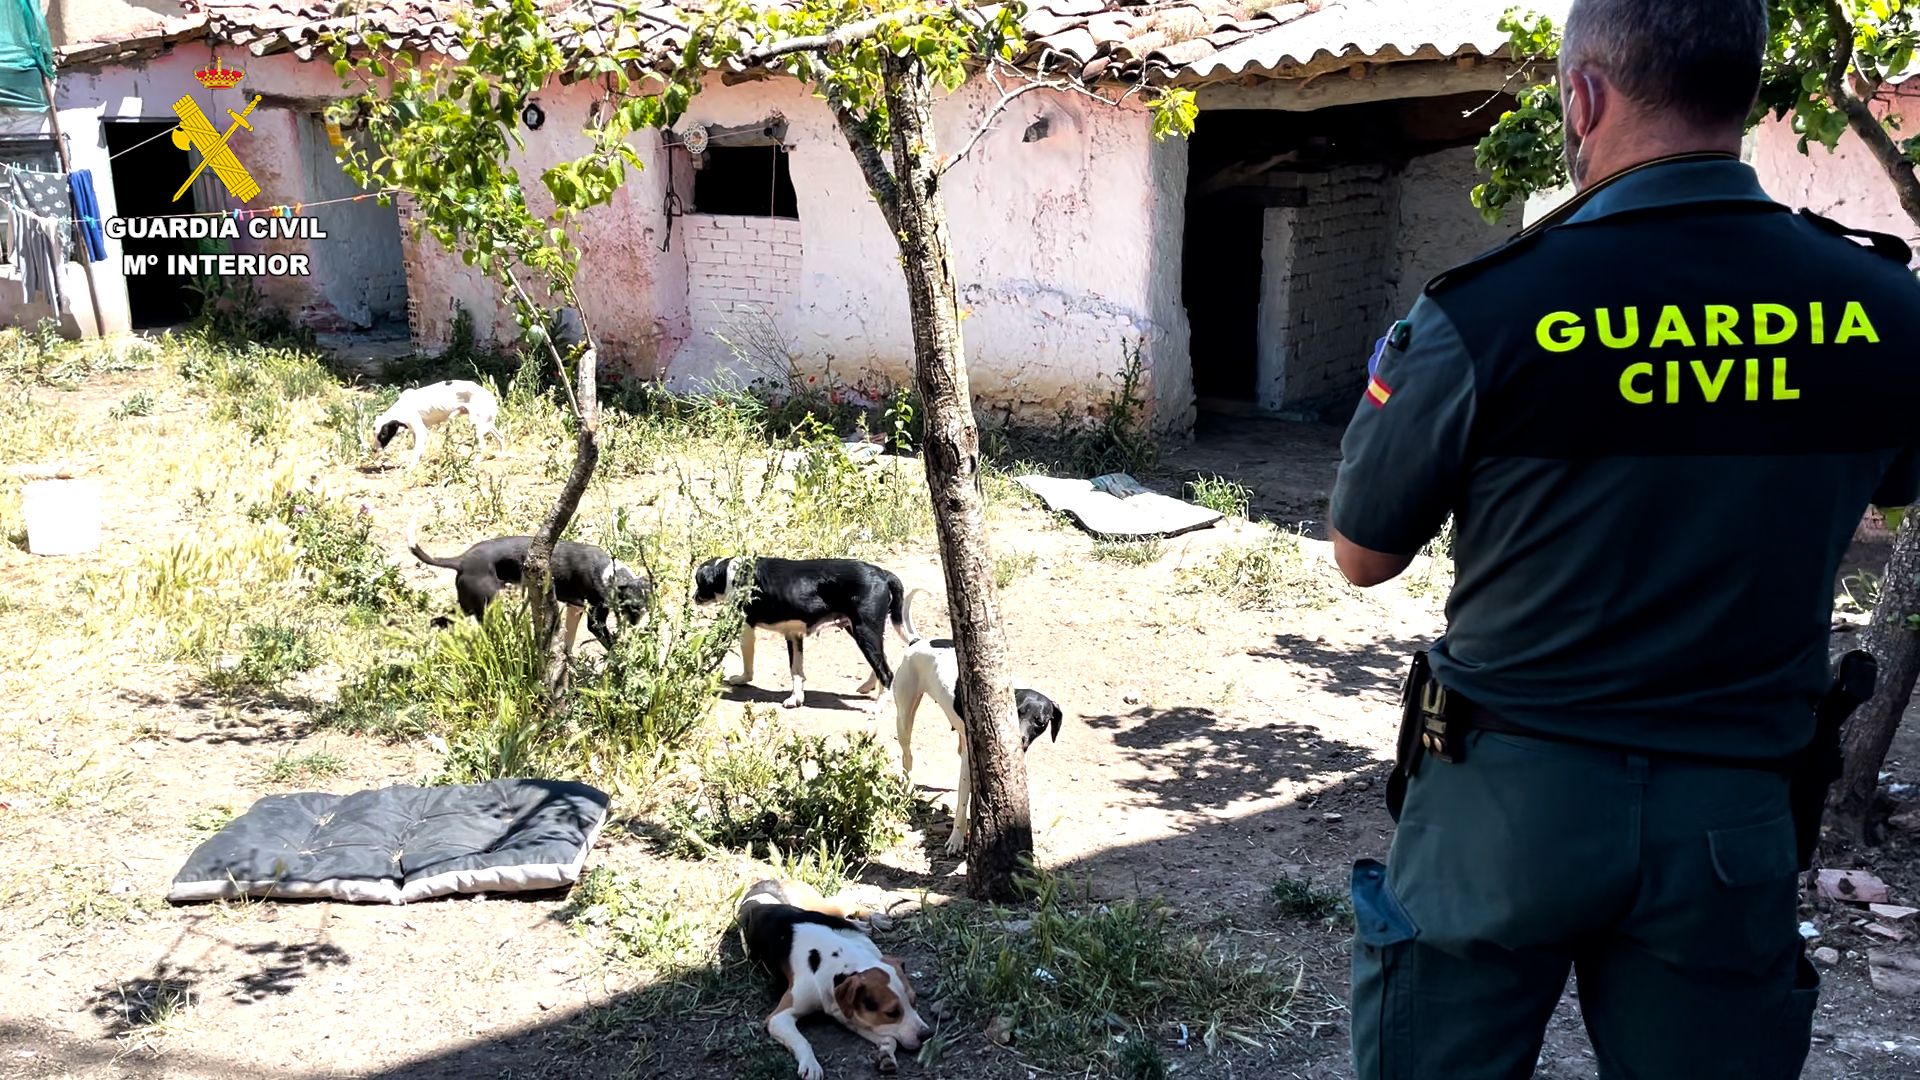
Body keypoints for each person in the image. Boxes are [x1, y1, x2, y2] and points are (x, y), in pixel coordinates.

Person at [1328, 0, 1920, 1076]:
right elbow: (1892, 492)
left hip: (1502, 807)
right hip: (1732, 816)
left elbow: (1363, 554)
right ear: (1745, 93)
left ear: (1585, 96)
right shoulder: (1882, 308)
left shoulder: (1486, 311)